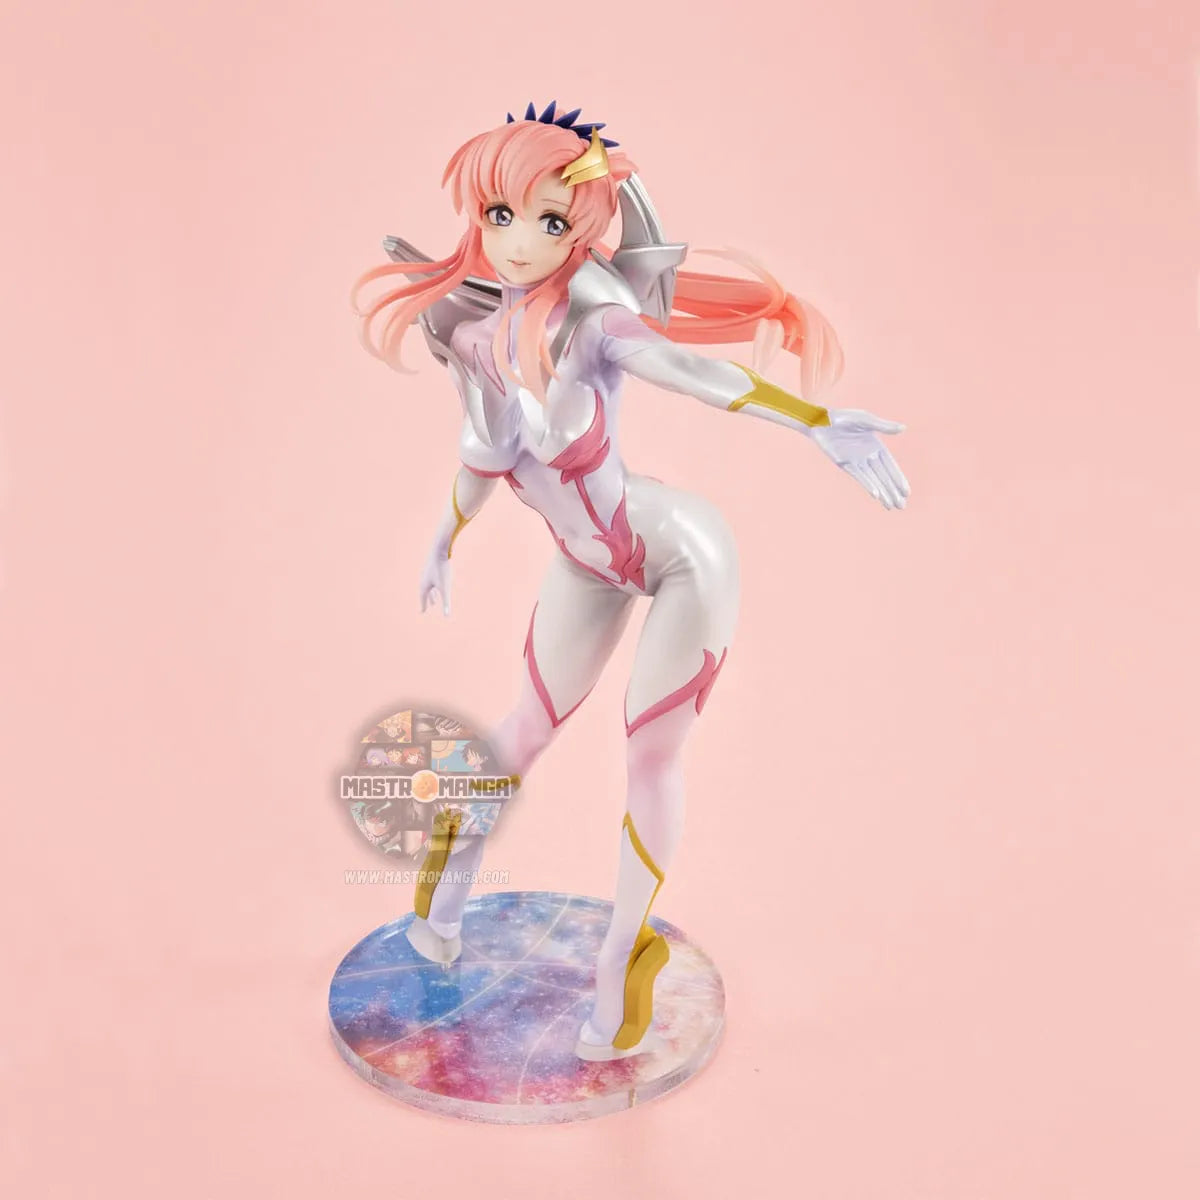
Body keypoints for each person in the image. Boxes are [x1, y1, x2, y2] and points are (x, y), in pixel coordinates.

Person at [352, 102, 909, 1061]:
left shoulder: (598, 319)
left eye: (549, 220)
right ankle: (441, 907)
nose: (518, 241)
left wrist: (814, 421)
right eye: (499, 214)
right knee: (521, 731)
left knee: (648, 755)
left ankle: (624, 958)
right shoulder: (479, 337)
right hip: (588, 562)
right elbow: (484, 458)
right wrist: (444, 538)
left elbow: (695, 373)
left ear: (582, 228)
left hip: (681, 553)